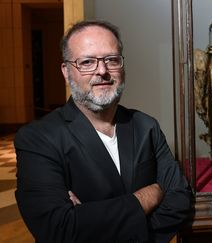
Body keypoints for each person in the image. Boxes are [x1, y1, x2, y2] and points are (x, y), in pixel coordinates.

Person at [14, 20, 192, 243]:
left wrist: (91, 220)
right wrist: (149, 195)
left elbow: (179, 200)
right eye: (87, 62)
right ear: (66, 71)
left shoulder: (147, 126)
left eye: (111, 60)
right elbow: (58, 229)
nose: (102, 70)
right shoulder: (37, 139)